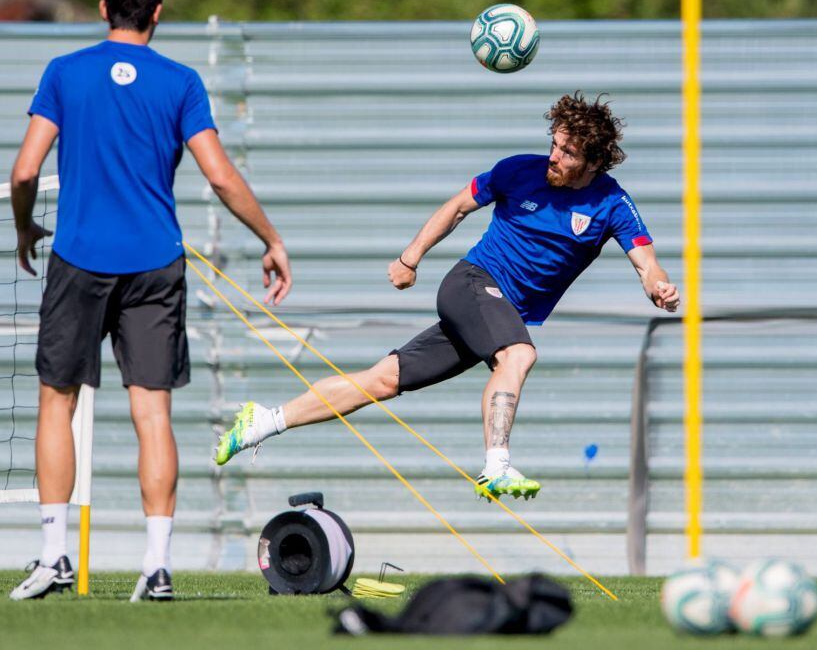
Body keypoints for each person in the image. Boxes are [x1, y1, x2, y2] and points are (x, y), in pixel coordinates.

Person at [215, 92, 678, 501]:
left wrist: (657, 286)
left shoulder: (613, 204)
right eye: (554, 144)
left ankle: (263, 421)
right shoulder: (518, 171)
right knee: (517, 354)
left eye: (567, 152)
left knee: (382, 381)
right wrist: (410, 258)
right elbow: (458, 206)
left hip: (494, 312)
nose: (553, 156)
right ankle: (496, 466)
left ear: (594, 162)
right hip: (471, 284)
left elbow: (646, 261)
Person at [8, 0, 291, 602]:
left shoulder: (64, 73)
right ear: (158, 13)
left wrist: (26, 228)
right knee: (153, 413)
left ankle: (54, 557)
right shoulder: (182, 82)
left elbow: (25, 171)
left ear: (104, 8)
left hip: (77, 259)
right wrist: (271, 240)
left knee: (58, 404)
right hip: (155, 264)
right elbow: (220, 176)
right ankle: (157, 565)